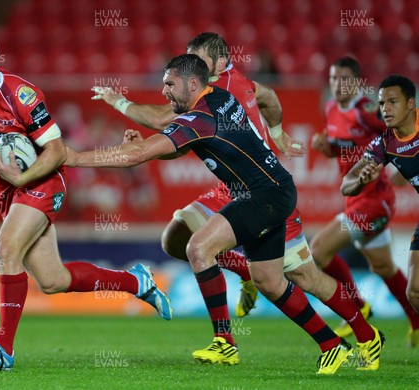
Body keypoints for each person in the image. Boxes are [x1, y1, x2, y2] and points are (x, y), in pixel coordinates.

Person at [66, 53, 384, 374]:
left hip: (262, 195)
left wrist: (75, 158)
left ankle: (225, 342)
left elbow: (140, 155)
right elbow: (172, 142)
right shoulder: (220, 98)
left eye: (169, 84)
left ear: (193, 83)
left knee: (199, 248)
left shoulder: (199, 119)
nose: (164, 91)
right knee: (270, 281)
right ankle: (332, 345)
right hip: (274, 190)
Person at [0, 31, 172, 371]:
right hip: (9, 190)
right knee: (53, 280)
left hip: (42, 180)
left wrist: (22, 178)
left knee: (6, 248)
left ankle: (2, 350)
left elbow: (56, 152)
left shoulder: (21, 95)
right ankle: (137, 281)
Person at [93, 31, 304, 319]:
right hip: (236, 186)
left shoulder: (216, 93)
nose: (194, 65)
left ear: (218, 63)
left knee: (304, 275)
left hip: (257, 188)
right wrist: (278, 134)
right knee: (176, 238)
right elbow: (269, 95)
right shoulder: (227, 85)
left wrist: (119, 103)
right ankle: (246, 280)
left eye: (199, 60)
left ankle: (358, 329)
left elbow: (159, 120)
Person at [311, 57, 419, 343]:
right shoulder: (331, 108)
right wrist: (330, 148)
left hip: (375, 202)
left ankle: (358, 308)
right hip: (358, 197)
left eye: (344, 79)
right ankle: (417, 322)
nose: (338, 85)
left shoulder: (368, 110)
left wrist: (394, 168)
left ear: (357, 82)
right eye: (333, 79)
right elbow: (350, 150)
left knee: (319, 250)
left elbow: (397, 135)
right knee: (384, 268)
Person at [342, 74, 419, 347]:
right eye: (382, 102)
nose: (385, 108)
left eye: (393, 101)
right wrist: (362, 178)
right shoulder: (384, 143)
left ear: (411, 103)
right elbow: (346, 184)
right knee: (415, 292)